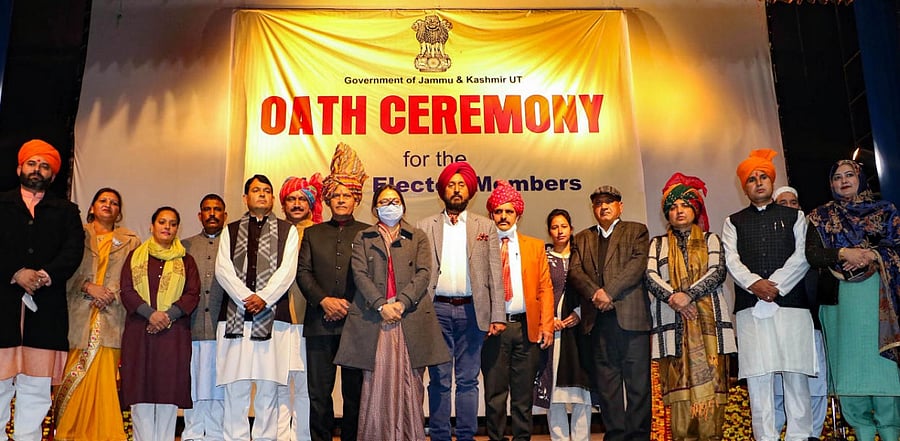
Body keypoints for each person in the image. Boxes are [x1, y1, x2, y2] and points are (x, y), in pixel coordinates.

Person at [334, 184, 450, 441]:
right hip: (374, 318)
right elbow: (359, 274)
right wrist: (380, 304)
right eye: (384, 202)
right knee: (375, 383)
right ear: (375, 208)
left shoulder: (417, 236)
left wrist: (402, 303)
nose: (390, 206)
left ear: (403, 206)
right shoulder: (363, 237)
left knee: (411, 383)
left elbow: (423, 273)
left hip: (408, 316)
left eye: (395, 201)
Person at [722, 149, 816, 441]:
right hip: (751, 308)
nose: (758, 182)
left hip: (791, 305)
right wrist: (754, 285)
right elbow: (731, 260)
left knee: (795, 375)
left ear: (772, 181)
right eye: (752, 179)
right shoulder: (732, 221)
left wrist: (773, 285)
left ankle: (799, 436)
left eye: (763, 177)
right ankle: (766, 437)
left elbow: (803, 256)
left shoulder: (796, 216)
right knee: (759, 378)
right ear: (744, 186)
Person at [806, 159, 900, 441]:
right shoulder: (820, 217)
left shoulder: (885, 211)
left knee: (883, 374)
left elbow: (897, 247)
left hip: (879, 304)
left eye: (849, 175)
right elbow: (811, 255)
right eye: (837, 177)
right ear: (831, 183)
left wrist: (872, 255)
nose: (844, 181)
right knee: (849, 378)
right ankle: (861, 433)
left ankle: (891, 433)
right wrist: (843, 253)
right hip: (840, 307)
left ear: (861, 178)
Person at [0, 139, 84, 441]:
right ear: (20, 167)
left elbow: (74, 250)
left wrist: (46, 275)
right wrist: (15, 272)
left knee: (35, 392)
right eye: (32, 163)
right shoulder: (2, 203)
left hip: (46, 313)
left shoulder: (66, 211)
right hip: (4, 310)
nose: (38, 169)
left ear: (53, 174)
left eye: (44, 165)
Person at [416, 161, 505, 441]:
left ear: (470, 191)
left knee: (468, 380)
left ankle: (466, 436)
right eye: (451, 185)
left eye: (461, 185)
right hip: (436, 310)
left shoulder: (485, 226)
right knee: (439, 380)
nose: (456, 190)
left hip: (472, 311)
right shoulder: (425, 225)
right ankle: (440, 436)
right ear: (443, 190)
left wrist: (498, 315)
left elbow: (495, 273)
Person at [645, 173, 736, 441]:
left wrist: (688, 295)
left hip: (710, 332)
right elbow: (650, 276)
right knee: (678, 401)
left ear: (694, 209)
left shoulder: (712, 239)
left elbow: (717, 271)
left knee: (713, 401)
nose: (678, 211)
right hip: (671, 331)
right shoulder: (657, 244)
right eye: (672, 207)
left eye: (684, 205)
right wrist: (675, 297)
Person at [216, 174, 300, 441]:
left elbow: (288, 270)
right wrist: (246, 298)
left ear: (273, 198)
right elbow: (223, 270)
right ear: (245, 198)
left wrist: (263, 297)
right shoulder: (229, 230)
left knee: (267, 389)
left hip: (273, 318)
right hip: (235, 319)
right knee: (236, 388)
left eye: (266, 191)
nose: (262, 194)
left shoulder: (288, 231)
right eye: (256, 190)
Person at [54, 187, 140, 441]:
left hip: (112, 318)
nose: (108, 205)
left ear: (119, 212)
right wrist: (87, 286)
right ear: (92, 207)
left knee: (103, 384)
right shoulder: (75, 235)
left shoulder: (131, 241)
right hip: (78, 315)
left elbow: (135, 276)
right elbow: (62, 270)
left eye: (114, 203)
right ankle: (68, 434)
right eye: (103, 201)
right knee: (74, 376)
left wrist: (110, 292)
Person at [567, 184, 651, 441]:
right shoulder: (582, 237)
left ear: (620, 206)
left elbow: (636, 266)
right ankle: (615, 435)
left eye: (609, 202)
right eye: (598, 203)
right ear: (593, 208)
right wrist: (596, 294)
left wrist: (609, 293)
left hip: (631, 320)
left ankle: (637, 437)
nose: (603, 206)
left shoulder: (636, 231)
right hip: (598, 322)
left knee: (638, 386)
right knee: (607, 387)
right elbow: (575, 272)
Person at [298, 143, 369, 441]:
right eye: (336, 195)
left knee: (355, 396)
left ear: (356, 199)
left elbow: (374, 278)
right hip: (319, 323)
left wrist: (351, 306)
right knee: (318, 394)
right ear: (328, 199)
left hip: (357, 325)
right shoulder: (313, 233)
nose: (341, 199)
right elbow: (303, 273)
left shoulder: (369, 233)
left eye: (347, 195)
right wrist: (324, 300)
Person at [481, 180, 554, 441]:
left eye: (508, 211)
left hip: (527, 328)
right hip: (493, 329)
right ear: (491, 215)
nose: (503, 216)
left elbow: (545, 288)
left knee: (523, 394)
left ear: (518, 216)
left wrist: (547, 325)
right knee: (495, 393)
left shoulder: (534, 246)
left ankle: (522, 438)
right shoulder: (481, 243)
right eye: (498, 211)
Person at [119, 206, 200, 441]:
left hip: (173, 334)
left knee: (167, 395)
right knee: (140, 394)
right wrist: (150, 314)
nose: (167, 227)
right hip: (139, 332)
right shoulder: (135, 257)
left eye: (172, 223)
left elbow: (192, 294)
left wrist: (166, 316)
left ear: (177, 228)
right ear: (152, 226)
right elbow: (126, 290)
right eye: (162, 222)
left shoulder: (187, 260)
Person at [533, 208, 594, 441]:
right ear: (549, 231)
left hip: (579, 333)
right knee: (554, 392)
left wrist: (579, 314)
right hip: (552, 333)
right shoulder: (543, 257)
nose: (559, 231)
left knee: (581, 392)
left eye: (564, 226)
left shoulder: (582, 257)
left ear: (571, 228)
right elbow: (537, 293)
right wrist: (548, 320)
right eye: (555, 227)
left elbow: (590, 290)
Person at [772, 186, 828, 439]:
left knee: (815, 384)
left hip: (811, 321)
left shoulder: (813, 236)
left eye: (793, 202)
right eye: (782, 202)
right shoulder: (766, 240)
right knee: (778, 388)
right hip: (776, 324)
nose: (789, 206)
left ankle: (811, 435)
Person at [276, 174, 322, 441]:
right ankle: (282, 436)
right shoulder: (277, 233)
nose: (295, 204)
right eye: (291, 199)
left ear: (311, 204)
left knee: (305, 385)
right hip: (279, 318)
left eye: (301, 200)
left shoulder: (319, 233)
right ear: (283, 204)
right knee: (280, 383)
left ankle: (303, 436)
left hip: (309, 319)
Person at [181, 194, 228, 441]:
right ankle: (193, 433)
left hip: (224, 327)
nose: (212, 213)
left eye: (217, 209)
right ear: (199, 215)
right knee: (194, 381)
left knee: (220, 383)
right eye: (207, 209)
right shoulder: (184, 246)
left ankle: (217, 434)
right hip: (193, 325)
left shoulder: (233, 246)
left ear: (225, 215)